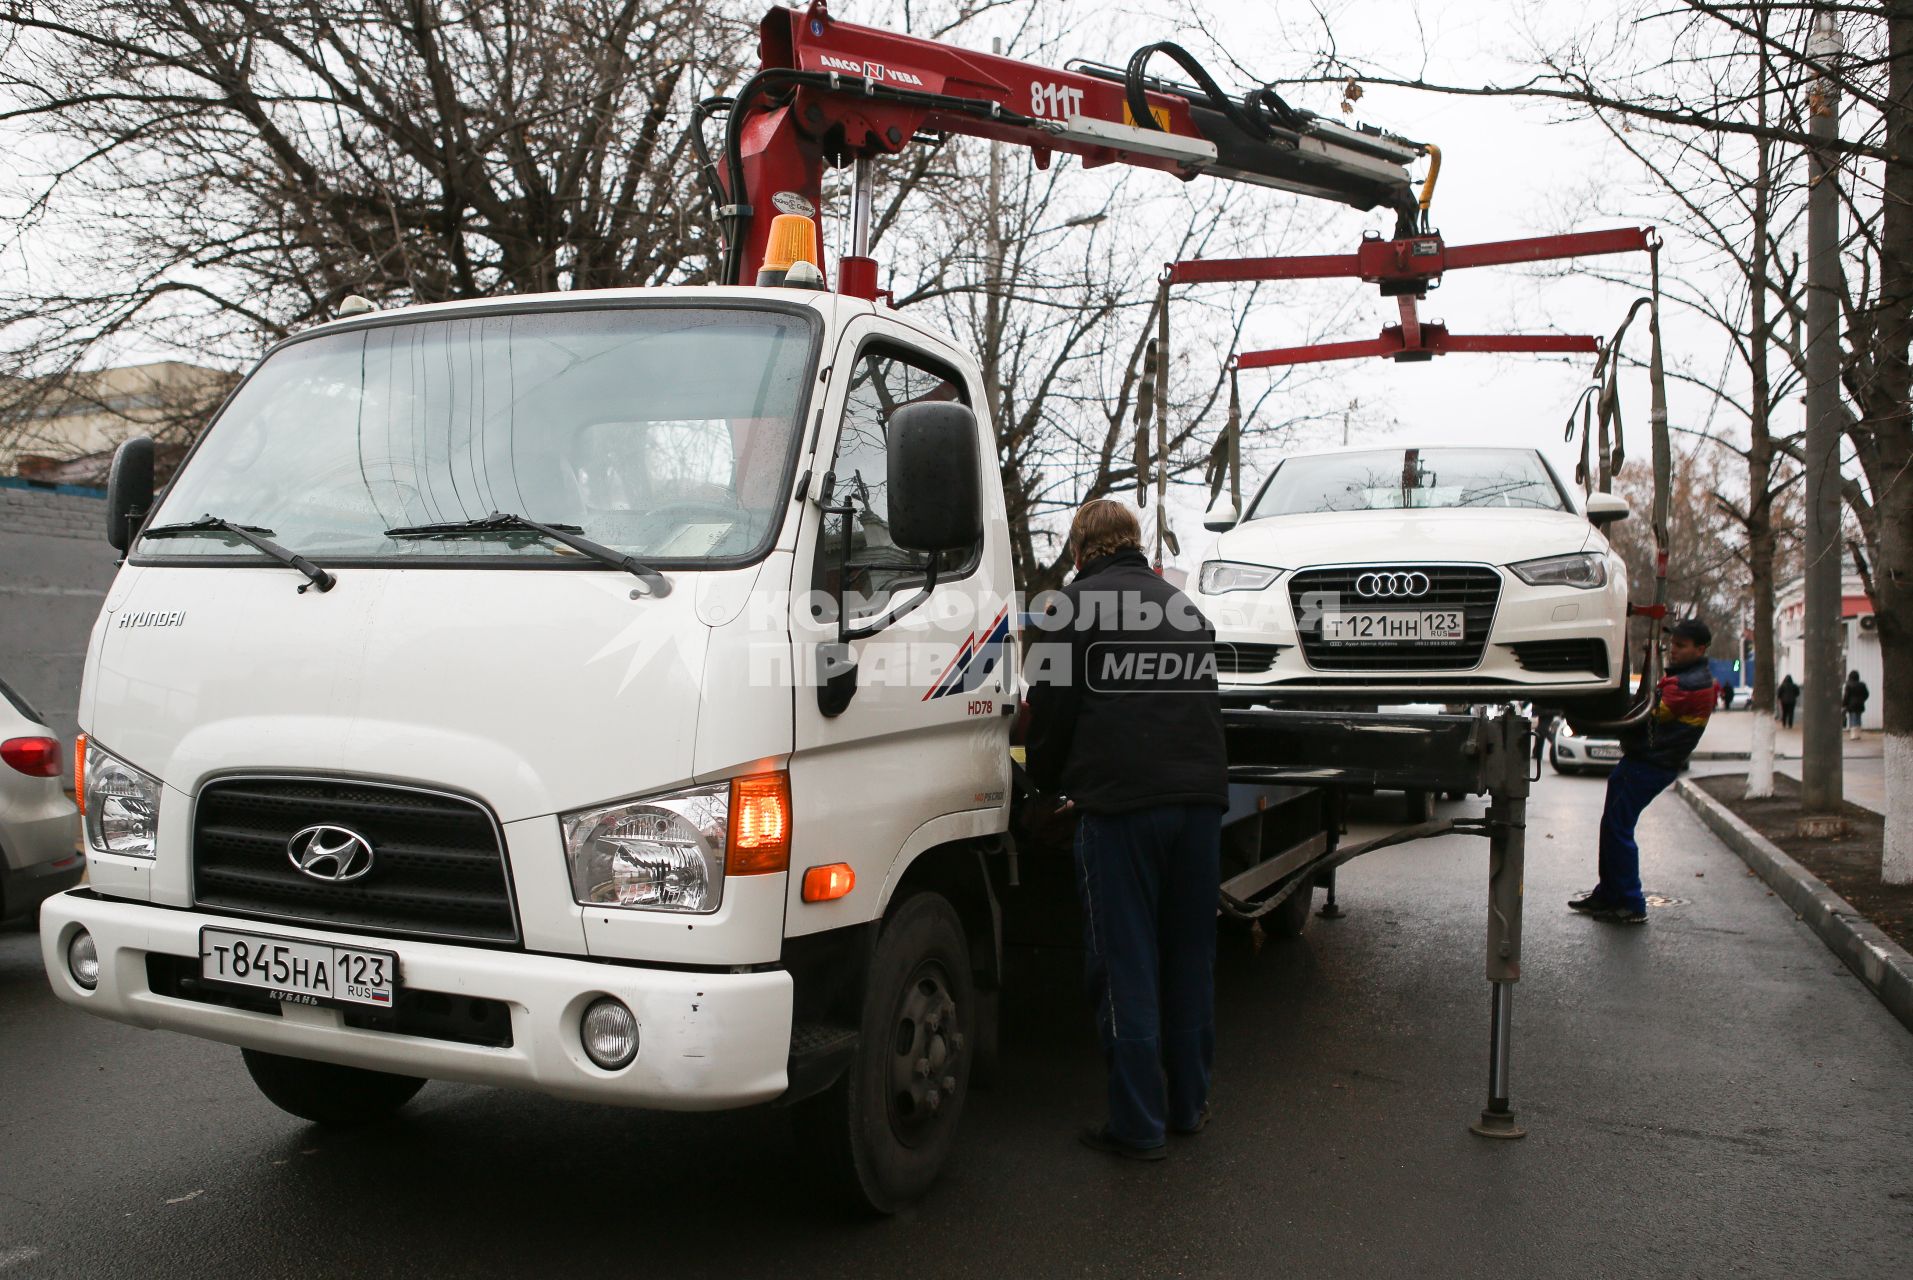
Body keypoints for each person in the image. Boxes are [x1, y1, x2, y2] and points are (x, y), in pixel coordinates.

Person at [1025, 499, 1229, 1162]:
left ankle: (1137, 1126)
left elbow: (1049, 714)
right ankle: (1188, 1106)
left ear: (1080, 552)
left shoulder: (1069, 608)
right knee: (1188, 957)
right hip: (1199, 805)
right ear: (1132, 545)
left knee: (1126, 965)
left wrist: (1043, 789)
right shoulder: (1183, 607)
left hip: (1119, 811)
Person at [1570, 618, 1717, 924]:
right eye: (1672, 644)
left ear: (1700, 649)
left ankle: (1630, 902)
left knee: (1619, 827)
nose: (1673, 651)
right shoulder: (1682, 679)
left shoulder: (1689, 686)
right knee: (1612, 824)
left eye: (1681, 646)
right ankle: (1609, 894)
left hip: (1652, 764)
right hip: (1643, 760)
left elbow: (1642, 715)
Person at [1843, 670, 1871, 740]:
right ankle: (1858, 734)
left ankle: (1853, 735)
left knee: (1853, 719)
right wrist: (1862, 700)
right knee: (1858, 718)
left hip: (1851, 705)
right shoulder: (1862, 685)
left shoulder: (1848, 685)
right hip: (1860, 704)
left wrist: (1844, 704)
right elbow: (1866, 694)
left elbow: (1846, 696)